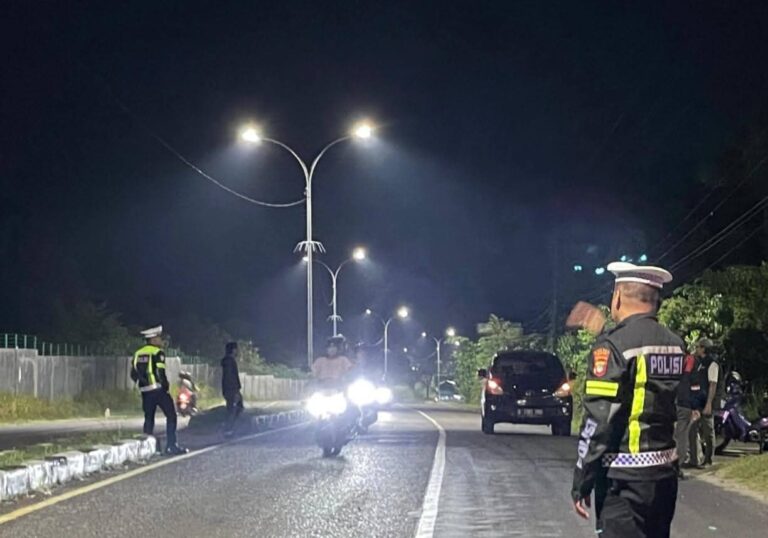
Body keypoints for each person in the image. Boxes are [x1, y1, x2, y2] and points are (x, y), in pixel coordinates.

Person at [568, 261, 685, 538]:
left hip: (623, 480)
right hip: (664, 474)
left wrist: (581, 481)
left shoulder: (613, 346)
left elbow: (599, 420)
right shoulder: (675, 344)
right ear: (656, 300)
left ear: (617, 297)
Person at [130, 325, 187, 455]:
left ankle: (147, 449)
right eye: (159, 338)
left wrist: (142, 383)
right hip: (157, 389)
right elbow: (160, 372)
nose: (161, 341)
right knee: (171, 415)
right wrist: (165, 387)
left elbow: (133, 374)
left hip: (145, 391)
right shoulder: (157, 352)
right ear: (153, 339)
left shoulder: (138, 353)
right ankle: (171, 446)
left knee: (149, 418)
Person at [689, 337, 723, 466]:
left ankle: (709, 458)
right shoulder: (699, 363)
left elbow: (712, 384)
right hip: (698, 401)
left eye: (698, 347)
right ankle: (695, 459)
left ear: (703, 348)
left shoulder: (712, 364)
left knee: (708, 430)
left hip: (707, 401)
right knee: (692, 429)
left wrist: (709, 404)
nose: (696, 349)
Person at [673, 351, 698, 478]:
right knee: (682, 437)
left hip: (672, 402)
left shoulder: (672, 364)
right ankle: (677, 466)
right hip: (685, 405)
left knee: (673, 435)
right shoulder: (691, 367)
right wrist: (695, 407)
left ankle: (670, 464)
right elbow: (694, 389)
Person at [221, 342, 244, 436]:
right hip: (231, 388)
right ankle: (228, 428)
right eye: (236, 349)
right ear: (233, 350)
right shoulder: (230, 361)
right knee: (232, 409)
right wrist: (236, 389)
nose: (237, 351)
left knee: (236, 407)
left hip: (229, 388)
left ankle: (229, 426)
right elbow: (231, 376)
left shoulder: (228, 361)